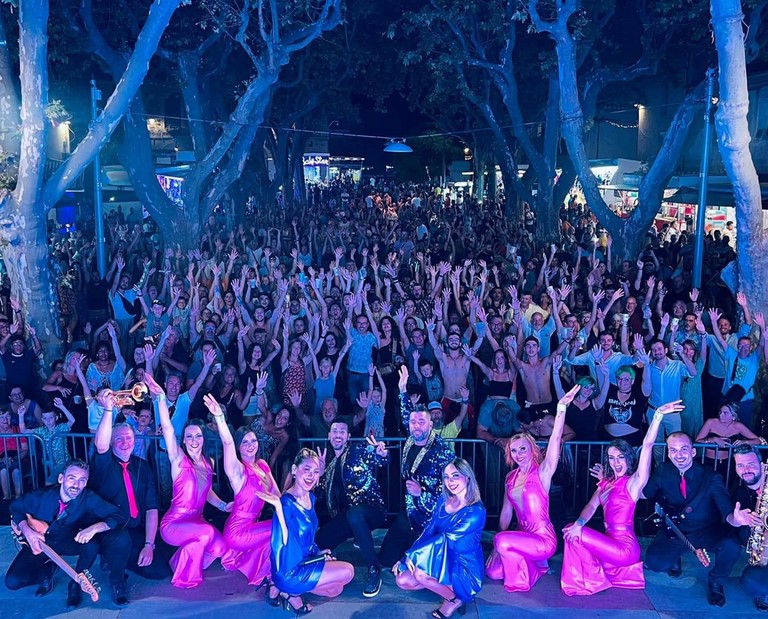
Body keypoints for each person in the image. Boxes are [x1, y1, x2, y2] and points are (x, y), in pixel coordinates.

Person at [560, 400, 685, 596]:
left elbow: (647, 445)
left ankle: (589, 580)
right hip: (609, 544)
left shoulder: (633, 483)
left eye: (620, 457)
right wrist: (580, 522)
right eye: (611, 457)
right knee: (573, 529)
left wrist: (658, 415)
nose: (616, 462)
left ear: (629, 458)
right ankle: (588, 576)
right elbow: (591, 507)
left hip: (624, 549)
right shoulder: (606, 483)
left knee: (574, 531)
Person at [486, 385, 580, 592]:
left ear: (532, 450)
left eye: (523, 449)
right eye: (514, 450)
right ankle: (534, 566)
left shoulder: (542, 472)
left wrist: (562, 408)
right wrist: (497, 547)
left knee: (501, 540)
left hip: (543, 539)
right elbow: (505, 513)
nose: (519, 454)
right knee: (492, 572)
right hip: (521, 536)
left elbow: (556, 440)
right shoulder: (510, 477)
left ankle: (525, 578)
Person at [5, 459, 128, 608]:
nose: (76, 485)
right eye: (72, 478)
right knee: (12, 582)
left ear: (86, 482)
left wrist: (95, 528)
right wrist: (27, 531)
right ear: (61, 478)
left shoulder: (88, 498)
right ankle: (47, 570)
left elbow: (118, 515)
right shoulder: (40, 496)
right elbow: (15, 507)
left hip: (67, 541)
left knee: (91, 544)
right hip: (39, 543)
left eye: (82, 480)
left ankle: (76, 581)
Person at [88, 389, 171, 605]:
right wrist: (108, 409)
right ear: (112, 442)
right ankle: (117, 580)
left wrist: (149, 545)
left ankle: (118, 558)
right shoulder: (103, 465)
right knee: (120, 541)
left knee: (160, 571)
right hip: (111, 530)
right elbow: (101, 445)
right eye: (119, 439)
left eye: (129, 438)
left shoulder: (142, 466)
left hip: (135, 529)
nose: (125, 442)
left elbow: (152, 507)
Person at [149, 374, 231, 588]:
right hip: (174, 524)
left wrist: (224, 505)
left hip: (197, 521)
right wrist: (159, 398)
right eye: (189, 437)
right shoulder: (178, 459)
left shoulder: (208, 462)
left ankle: (182, 561)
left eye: (198, 436)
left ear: (203, 439)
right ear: (183, 440)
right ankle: (185, 575)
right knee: (205, 533)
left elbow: (207, 493)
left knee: (220, 549)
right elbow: (167, 429)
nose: (194, 441)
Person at [643, 431, 742, 606]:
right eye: (673, 450)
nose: (679, 455)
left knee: (732, 545)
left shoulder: (711, 477)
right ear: (668, 453)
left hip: (706, 530)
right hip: (675, 530)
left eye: (683, 449)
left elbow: (727, 512)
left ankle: (716, 581)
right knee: (655, 563)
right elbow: (644, 493)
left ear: (693, 452)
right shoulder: (663, 471)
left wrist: (737, 519)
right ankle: (675, 557)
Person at [203, 394, 281, 601]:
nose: (250, 445)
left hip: (253, 527)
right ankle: (278, 576)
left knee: (283, 522)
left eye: (253, 440)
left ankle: (279, 569)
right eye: (244, 442)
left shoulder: (263, 465)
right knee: (278, 527)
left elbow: (277, 496)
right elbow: (227, 443)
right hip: (238, 532)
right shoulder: (237, 470)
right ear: (239, 446)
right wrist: (220, 417)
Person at [378, 367, 454, 568]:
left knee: (417, 569)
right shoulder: (412, 437)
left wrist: (423, 492)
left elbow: (454, 488)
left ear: (431, 425)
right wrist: (402, 390)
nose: (416, 425)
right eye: (413, 422)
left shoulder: (442, 451)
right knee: (385, 560)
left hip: (432, 520)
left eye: (422, 421)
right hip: (410, 513)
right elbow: (407, 414)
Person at [394, 458, 486, 619]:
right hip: (440, 555)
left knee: (421, 574)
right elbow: (429, 532)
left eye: (455, 476)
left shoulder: (476, 511)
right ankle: (449, 592)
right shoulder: (443, 500)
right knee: (402, 580)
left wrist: (413, 557)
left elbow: (447, 538)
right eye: (446, 477)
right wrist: (404, 558)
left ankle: (455, 598)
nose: (450, 481)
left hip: (463, 565)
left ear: (467, 477)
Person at [270, 448, 355, 614]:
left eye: (315, 472)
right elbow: (282, 546)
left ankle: (283, 590)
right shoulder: (286, 506)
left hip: (306, 560)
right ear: (294, 470)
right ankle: (289, 592)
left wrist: (318, 553)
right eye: (306, 470)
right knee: (348, 571)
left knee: (334, 590)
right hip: (290, 571)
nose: (311, 476)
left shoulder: (310, 497)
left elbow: (307, 538)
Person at [315, 421, 388, 597]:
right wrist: (320, 474)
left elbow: (379, 458)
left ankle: (374, 568)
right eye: (334, 431)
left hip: (371, 510)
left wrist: (381, 454)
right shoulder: (331, 466)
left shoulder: (358, 451)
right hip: (348, 518)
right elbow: (318, 495)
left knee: (354, 513)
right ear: (329, 436)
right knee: (319, 540)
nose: (338, 434)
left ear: (348, 437)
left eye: (342, 431)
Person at [726, 444, 768, 612]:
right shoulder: (739, 494)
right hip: (764, 551)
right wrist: (740, 520)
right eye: (740, 465)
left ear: (761, 464)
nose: (746, 469)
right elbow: (733, 524)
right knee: (751, 584)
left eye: (750, 464)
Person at [695, 401, 762, 466]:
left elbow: (757, 440)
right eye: (720, 412)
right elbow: (697, 441)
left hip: (728, 463)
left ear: (733, 416)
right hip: (708, 462)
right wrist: (713, 439)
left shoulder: (738, 426)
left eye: (725, 413)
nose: (721, 415)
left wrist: (745, 442)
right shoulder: (711, 422)